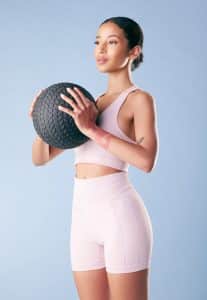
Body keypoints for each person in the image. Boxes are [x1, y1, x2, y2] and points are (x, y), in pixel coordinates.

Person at [29, 16, 158, 300]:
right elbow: (40, 158)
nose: (101, 49)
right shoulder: (90, 104)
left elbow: (147, 160)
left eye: (112, 42)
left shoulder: (139, 99)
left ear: (133, 51)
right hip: (82, 218)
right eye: (97, 42)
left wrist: (91, 129)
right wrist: (42, 124)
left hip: (120, 216)